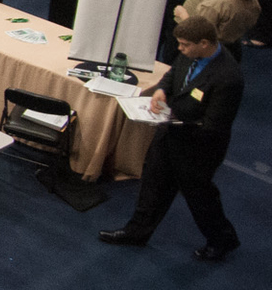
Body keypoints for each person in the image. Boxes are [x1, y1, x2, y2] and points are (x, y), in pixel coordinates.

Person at [98, 16, 242, 261]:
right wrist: (162, 90)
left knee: (200, 198)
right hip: (169, 135)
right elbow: (173, 74)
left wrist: (173, 120)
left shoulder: (228, 77)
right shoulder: (189, 53)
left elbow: (214, 126)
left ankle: (222, 238)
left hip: (199, 148)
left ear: (205, 43)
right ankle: (137, 232)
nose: (180, 49)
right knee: (153, 186)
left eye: (185, 44)